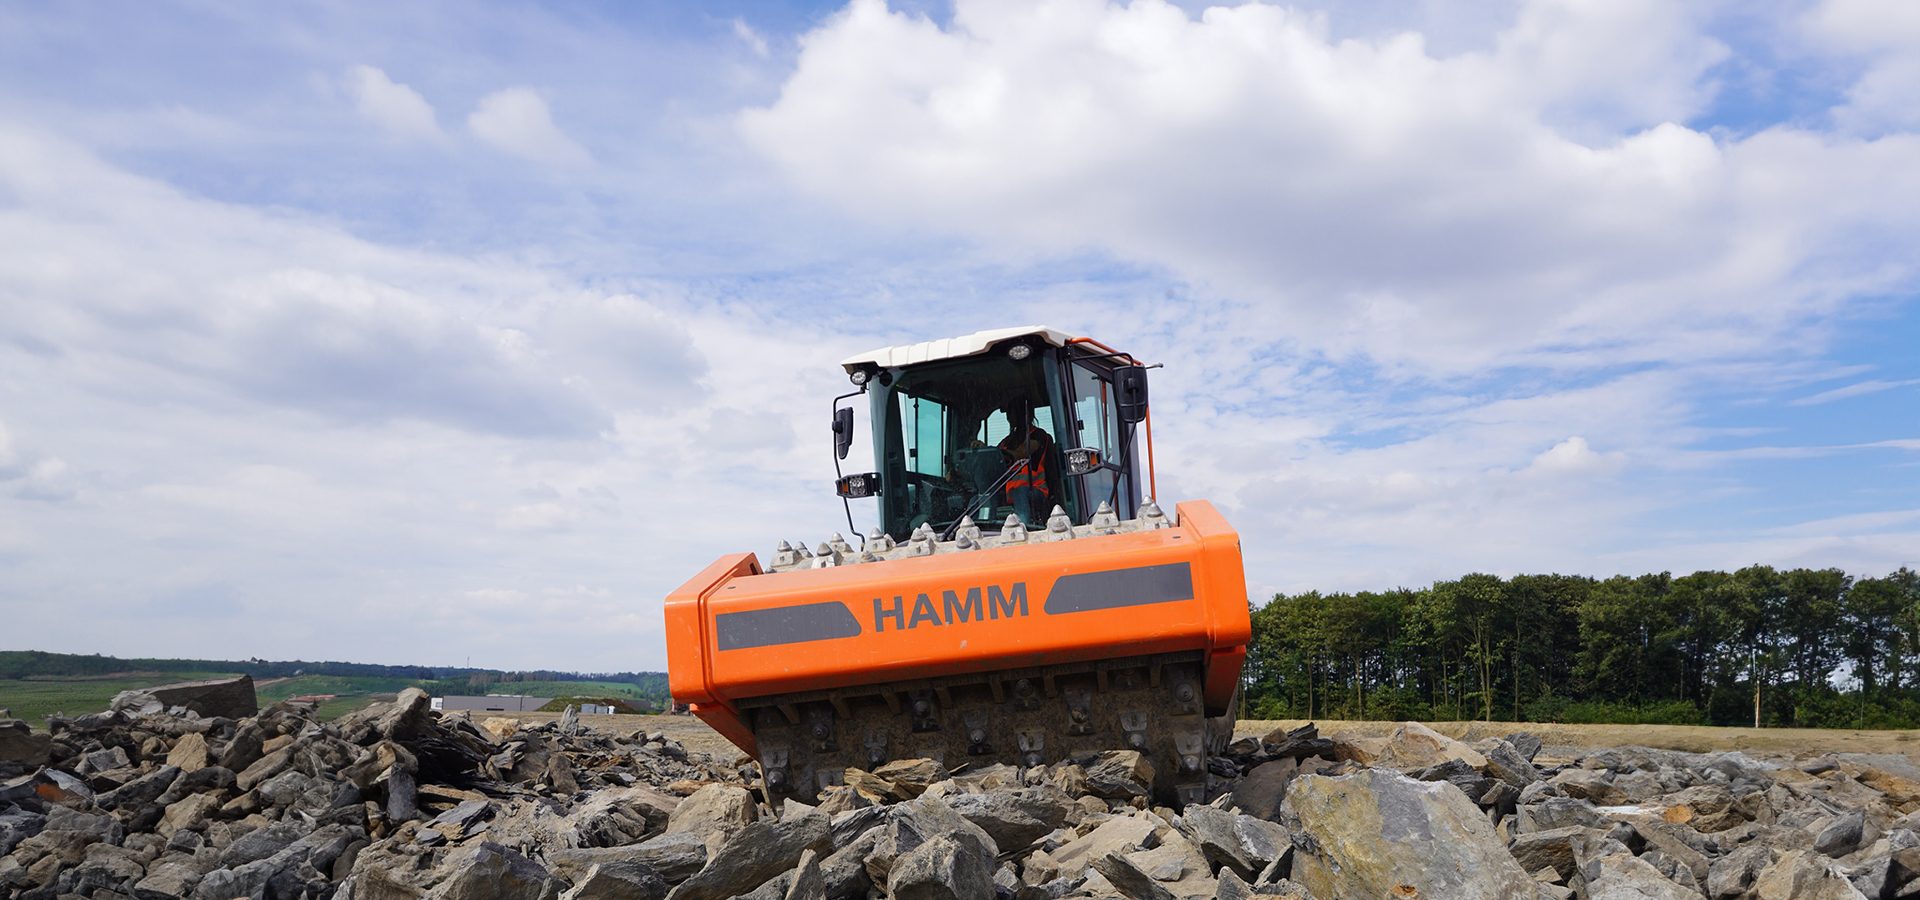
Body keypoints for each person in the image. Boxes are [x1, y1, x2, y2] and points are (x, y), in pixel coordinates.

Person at [997, 398, 1055, 524]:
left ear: (1025, 414)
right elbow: (994, 460)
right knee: (978, 499)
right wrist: (983, 450)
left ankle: (1023, 528)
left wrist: (1001, 454)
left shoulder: (1039, 436)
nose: (1010, 417)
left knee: (1020, 492)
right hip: (1009, 494)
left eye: (1013, 412)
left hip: (1035, 492)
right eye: (1009, 413)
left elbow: (1021, 453)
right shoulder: (1005, 442)